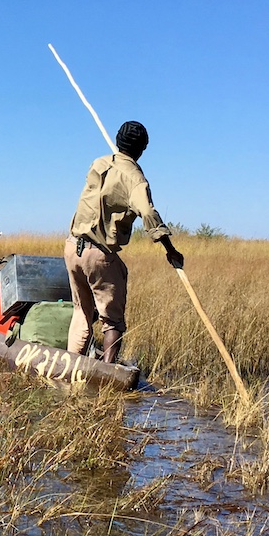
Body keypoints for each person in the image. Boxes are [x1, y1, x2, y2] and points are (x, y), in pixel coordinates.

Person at [65, 121, 184, 364]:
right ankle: (107, 375)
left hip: (72, 248)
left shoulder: (98, 164)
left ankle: (70, 368)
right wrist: (170, 250)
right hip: (97, 254)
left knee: (81, 313)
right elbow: (148, 213)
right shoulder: (136, 180)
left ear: (118, 140)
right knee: (112, 321)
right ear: (143, 149)